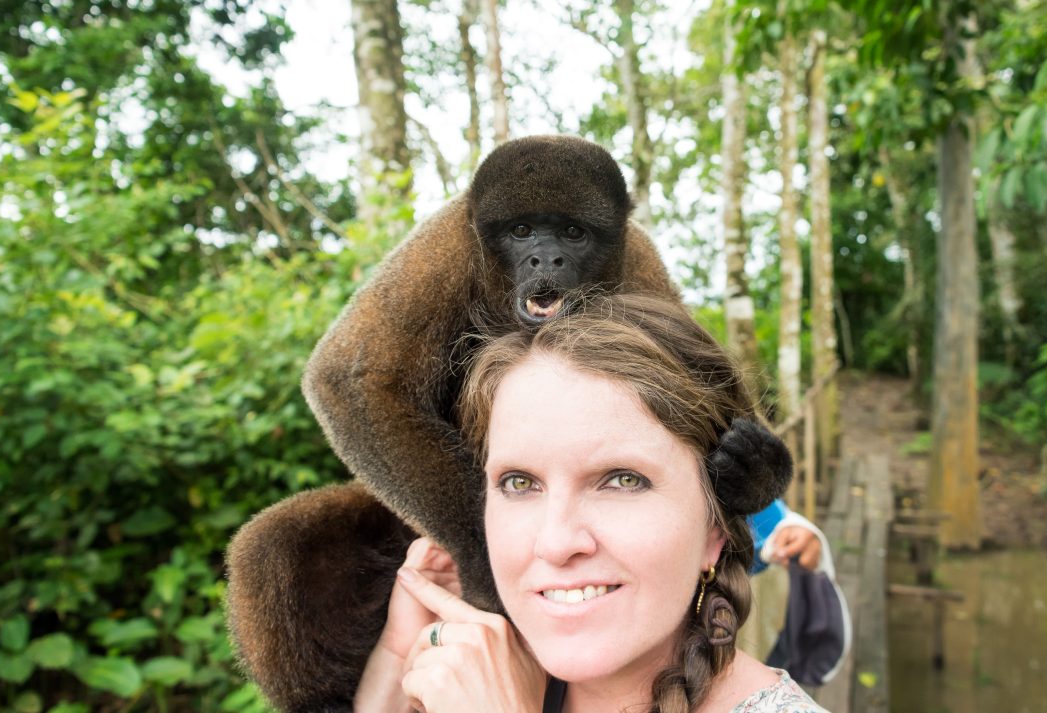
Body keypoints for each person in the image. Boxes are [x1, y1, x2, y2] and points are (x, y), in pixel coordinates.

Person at [354, 293, 830, 713]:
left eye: (622, 480)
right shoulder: (475, 685)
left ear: (715, 529)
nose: (556, 542)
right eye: (520, 483)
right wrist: (399, 657)